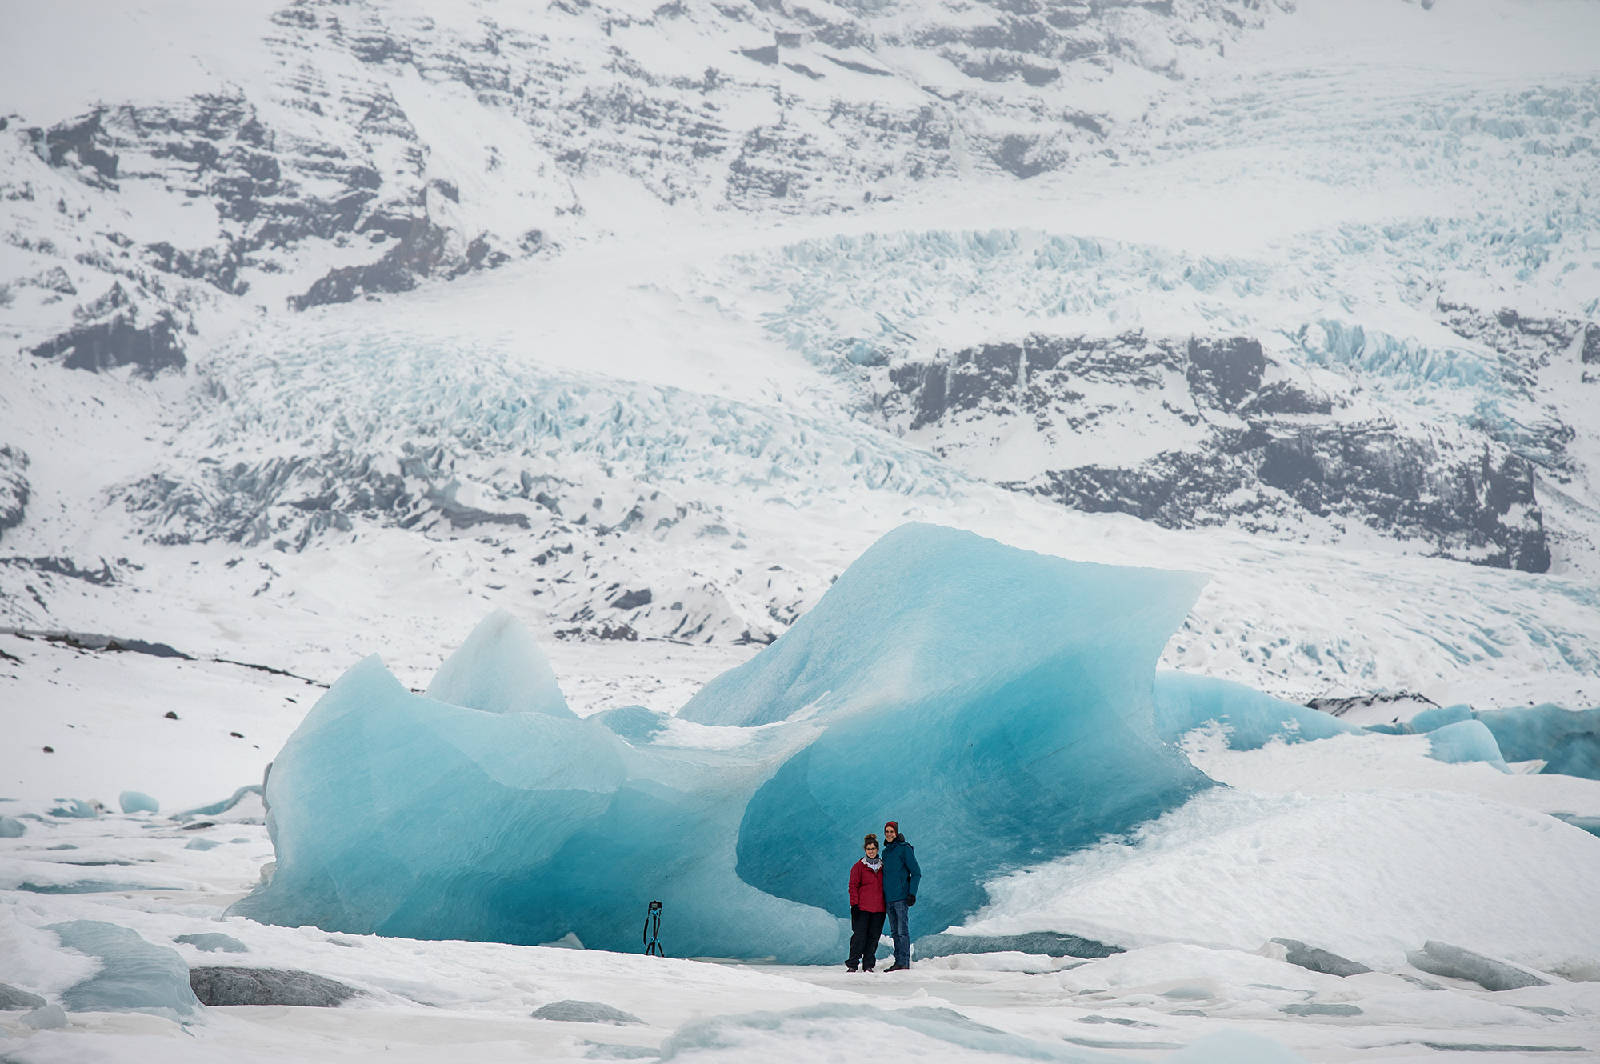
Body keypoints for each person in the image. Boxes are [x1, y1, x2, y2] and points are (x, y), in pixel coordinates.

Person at [879, 819, 920, 971]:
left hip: (901, 897)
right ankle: (898, 962)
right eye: (887, 831)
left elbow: (916, 872)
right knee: (895, 932)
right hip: (889, 898)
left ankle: (904, 963)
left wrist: (912, 893)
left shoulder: (904, 849)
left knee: (902, 931)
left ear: (896, 833)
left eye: (892, 831)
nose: (889, 834)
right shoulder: (885, 852)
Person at [846, 833, 885, 972]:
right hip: (862, 908)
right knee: (859, 937)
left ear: (877, 849)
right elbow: (853, 886)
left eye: (873, 848)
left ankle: (868, 964)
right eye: (868, 849)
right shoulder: (859, 867)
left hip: (879, 909)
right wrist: (854, 905)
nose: (871, 851)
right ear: (865, 850)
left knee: (873, 937)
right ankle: (852, 964)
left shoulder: (883, 866)